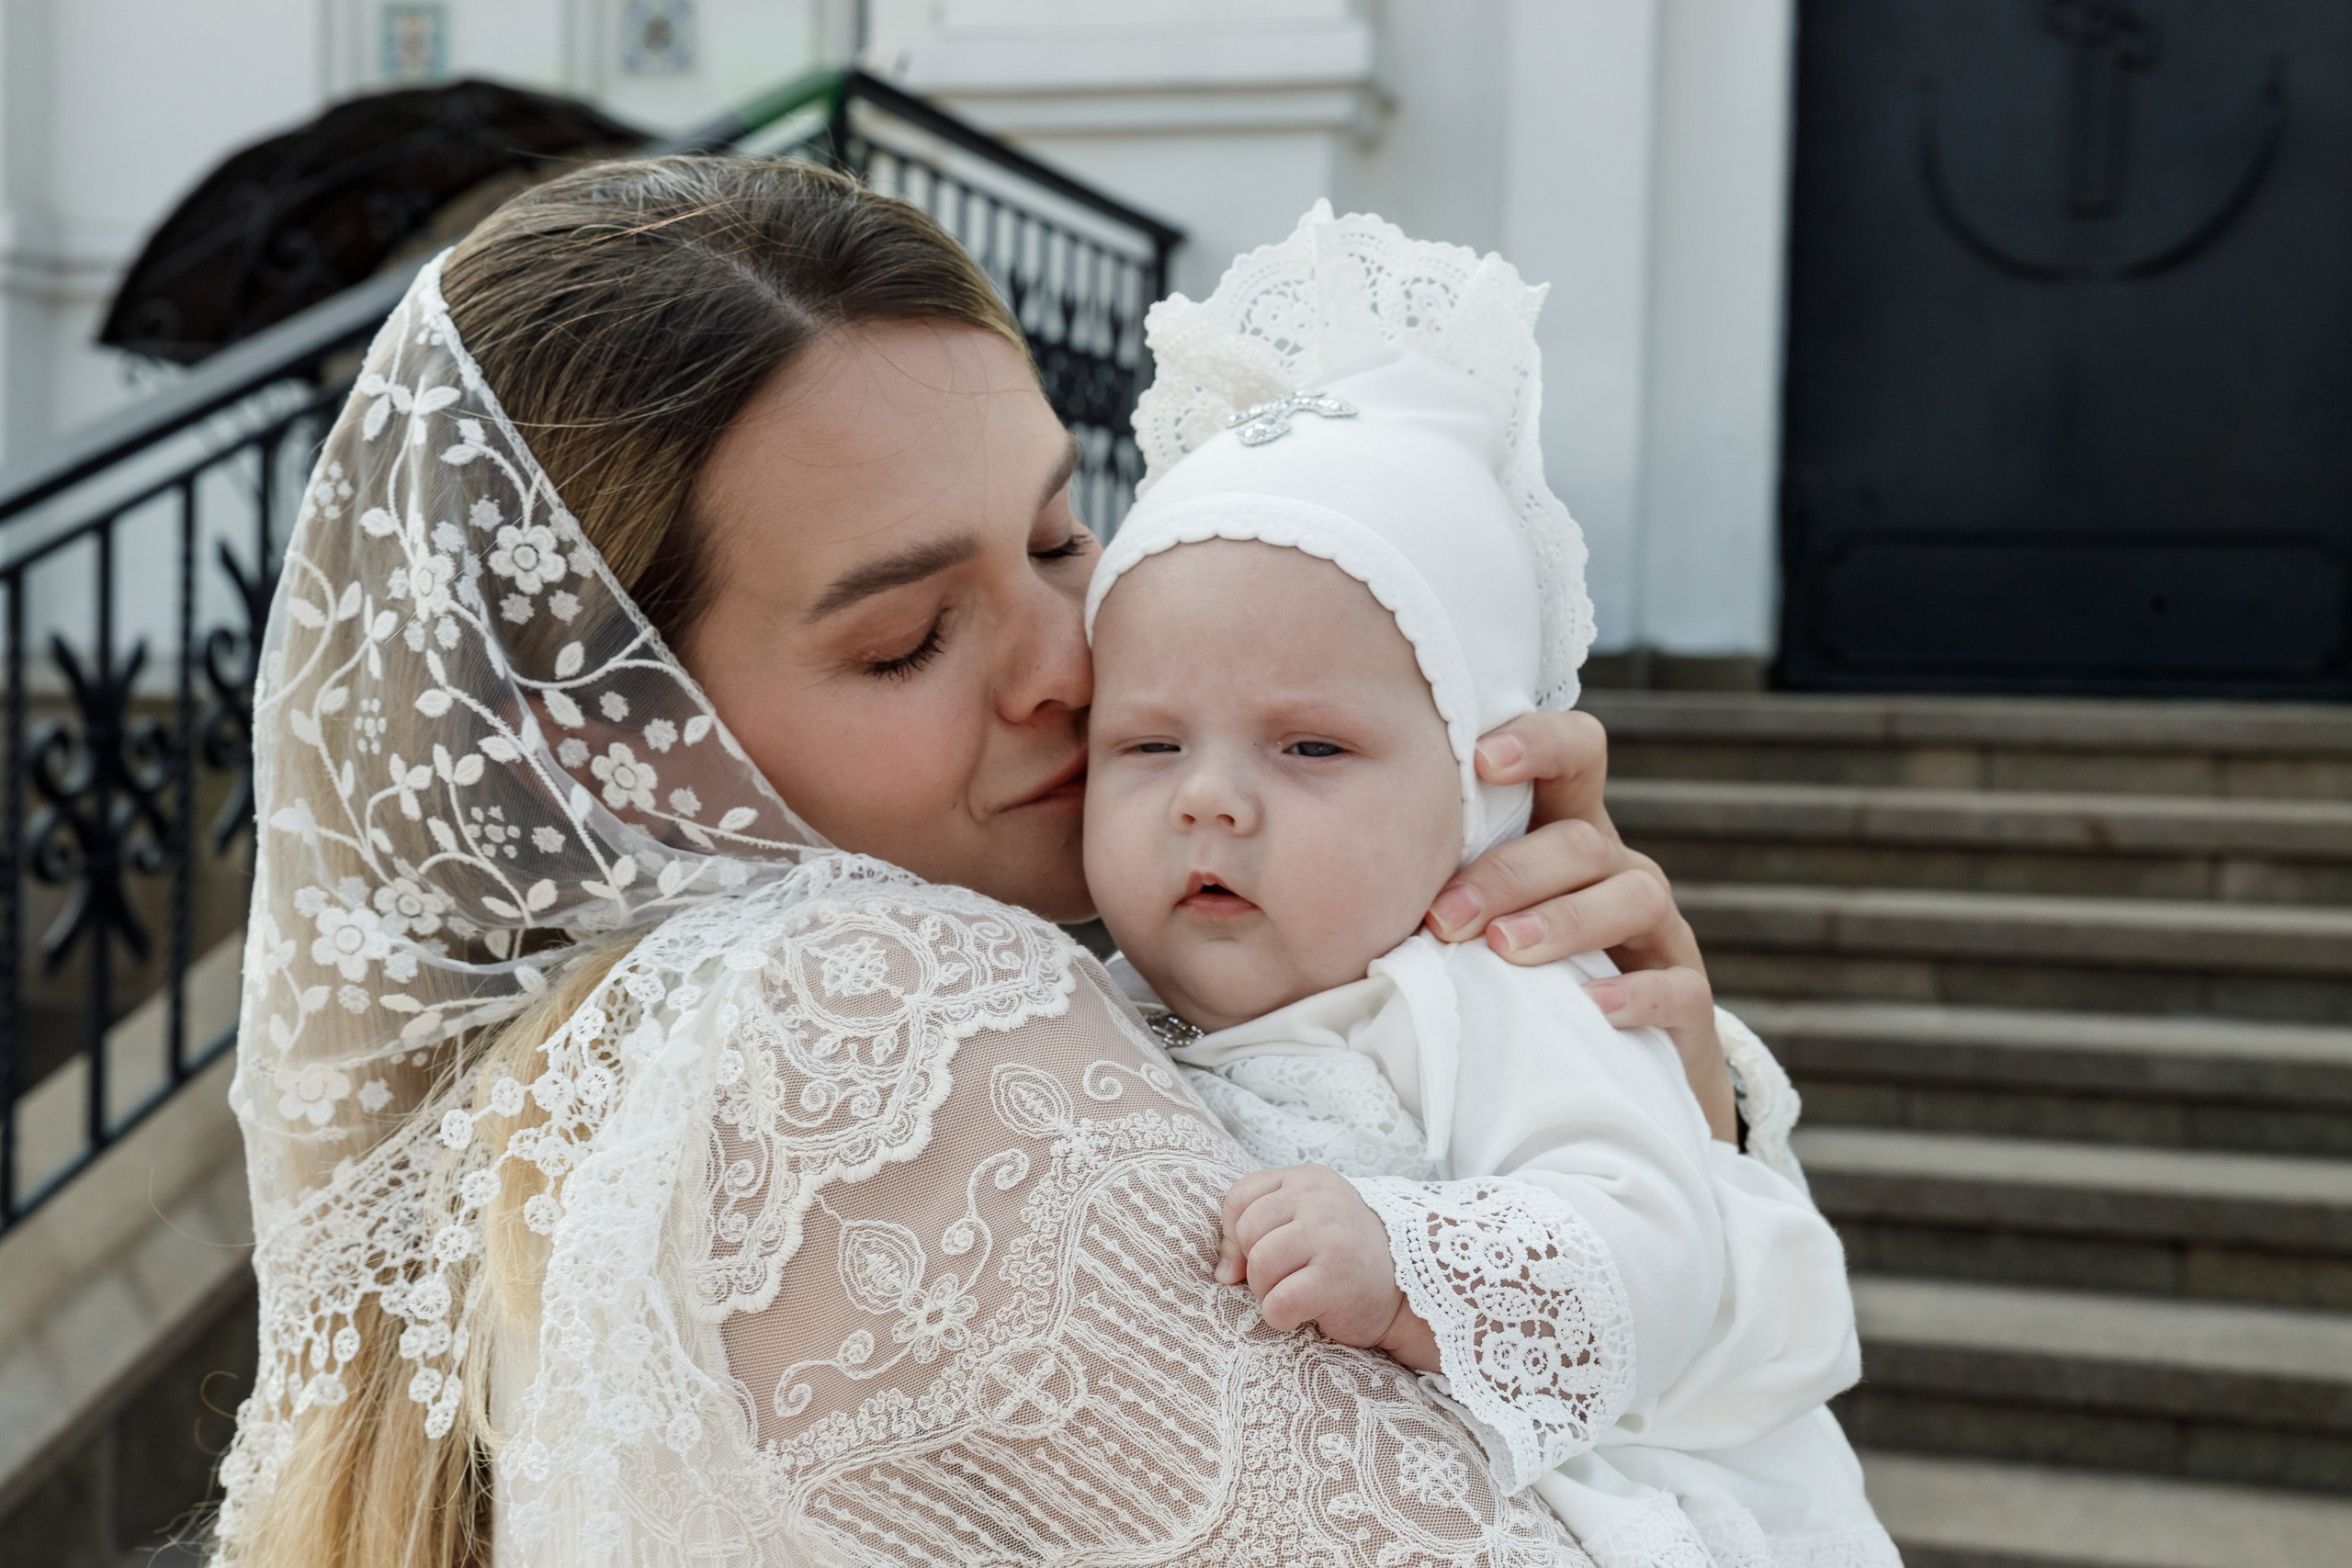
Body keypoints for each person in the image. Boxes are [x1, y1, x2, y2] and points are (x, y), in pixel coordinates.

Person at [210, 158, 1762, 1568]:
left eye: (1058, 536)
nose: (1071, 667)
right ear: (606, 750)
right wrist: (1689, 1181)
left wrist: (1626, 1086)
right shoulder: (860, 1026)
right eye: (904, 641)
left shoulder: (611, 1097)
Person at [1083, 204, 1896, 1567]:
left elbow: (1656, 1235)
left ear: (1481, 788)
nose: (1207, 797)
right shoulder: (1086, 997)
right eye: (1146, 744)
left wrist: (1412, 1264)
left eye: (1313, 747)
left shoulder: (1499, 980)